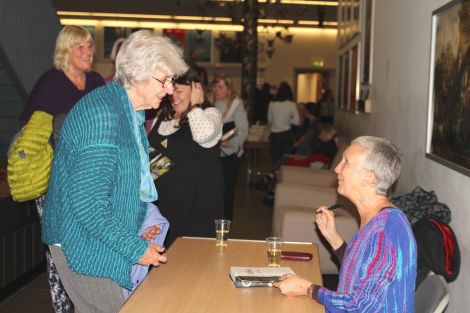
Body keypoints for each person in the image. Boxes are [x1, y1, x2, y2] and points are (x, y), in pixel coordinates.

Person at [41, 30, 188, 313]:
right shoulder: (104, 116)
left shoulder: (127, 110)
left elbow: (122, 185)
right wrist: (134, 249)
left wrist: (140, 225)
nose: (169, 89)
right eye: (164, 80)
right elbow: (88, 205)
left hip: (96, 232)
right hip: (79, 239)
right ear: (136, 76)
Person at [274, 136, 417, 312]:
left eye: (346, 162)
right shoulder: (379, 218)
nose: (337, 168)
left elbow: (360, 306)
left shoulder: (385, 230)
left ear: (368, 177)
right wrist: (334, 239)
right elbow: (361, 272)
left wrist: (308, 289)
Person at [19, 25, 105, 313]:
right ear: (65, 50)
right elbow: (29, 135)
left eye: (90, 46)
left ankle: (88, 301)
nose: (88, 52)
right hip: (55, 180)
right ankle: (63, 306)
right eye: (80, 47)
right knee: (59, 247)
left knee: (87, 243)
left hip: (89, 177)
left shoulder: (95, 82)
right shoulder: (51, 83)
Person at [148, 69, 224, 247]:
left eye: (179, 90)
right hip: (165, 208)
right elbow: (152, 158)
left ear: (196, 89)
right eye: (171, 90)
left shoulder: (210, 114)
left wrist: (196, 106)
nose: (174, 96)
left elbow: (203, 135)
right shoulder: (163, 116)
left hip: (198, 211)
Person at [212, 73, 249, 221]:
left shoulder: (236, 105)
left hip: (229, 156)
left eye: (220, 87)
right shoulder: (208, 104)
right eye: (215, 86)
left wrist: (231, 142)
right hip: (212, 156)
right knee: (212, 193)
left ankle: (224, 227)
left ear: (228, 89)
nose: (216, 89)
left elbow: (244, 130)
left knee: (226, 193)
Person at [267, 81, 300, 167]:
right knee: (286, 161)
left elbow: (270, 120)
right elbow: (297, 121)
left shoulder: (272, 104)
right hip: (287, 135)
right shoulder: (291, 104)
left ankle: (275, 178)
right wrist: (288, 120)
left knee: (275, 161)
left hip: (274, 136)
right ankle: (284, 178)